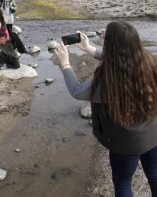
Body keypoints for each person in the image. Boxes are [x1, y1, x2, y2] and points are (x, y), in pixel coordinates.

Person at [55, 21, 157, 197]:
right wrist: (89, 48)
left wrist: (65, 64)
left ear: (110, 44)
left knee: (123, 183)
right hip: (153, 134)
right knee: (155, 176)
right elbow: (122, 57)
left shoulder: (107, 79)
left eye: (104, 38)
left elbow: (77, 91)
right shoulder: (149, 61)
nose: (102, 40)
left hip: (124, 142)